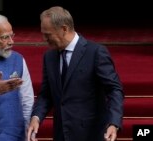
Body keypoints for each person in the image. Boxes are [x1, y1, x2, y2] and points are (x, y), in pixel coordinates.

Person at [27, 6, 124, 141]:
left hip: (90, 135)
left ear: (64, 29)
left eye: (48, 34)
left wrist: (113, 122)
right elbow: (46, 94)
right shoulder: (49, 57)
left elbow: (114, 89)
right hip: (61, 135)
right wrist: (36, 117)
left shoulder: (95, 52)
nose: (44, 39)